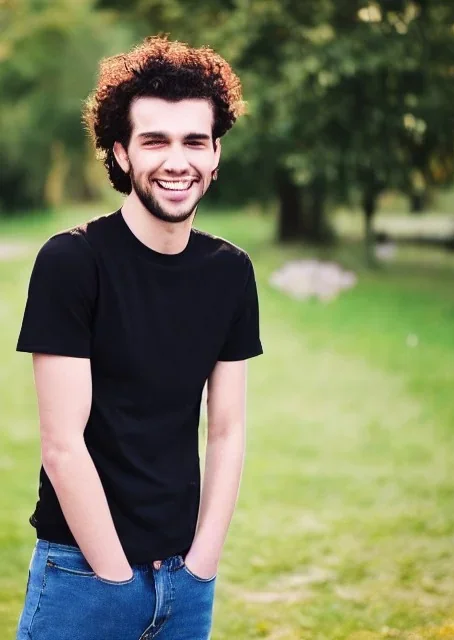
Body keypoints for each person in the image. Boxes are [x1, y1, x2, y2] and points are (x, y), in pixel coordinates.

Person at [15, 36, 263, 640]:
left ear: (215, 153)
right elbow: (62, 444)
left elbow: (226, 429)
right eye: (155, 141)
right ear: (121, 153)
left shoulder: (230, 272)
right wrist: (117, 580)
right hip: (84, 576)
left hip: (185, 576)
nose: (176, 161)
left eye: (193, 141)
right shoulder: (72, 263)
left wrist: (202, 565)